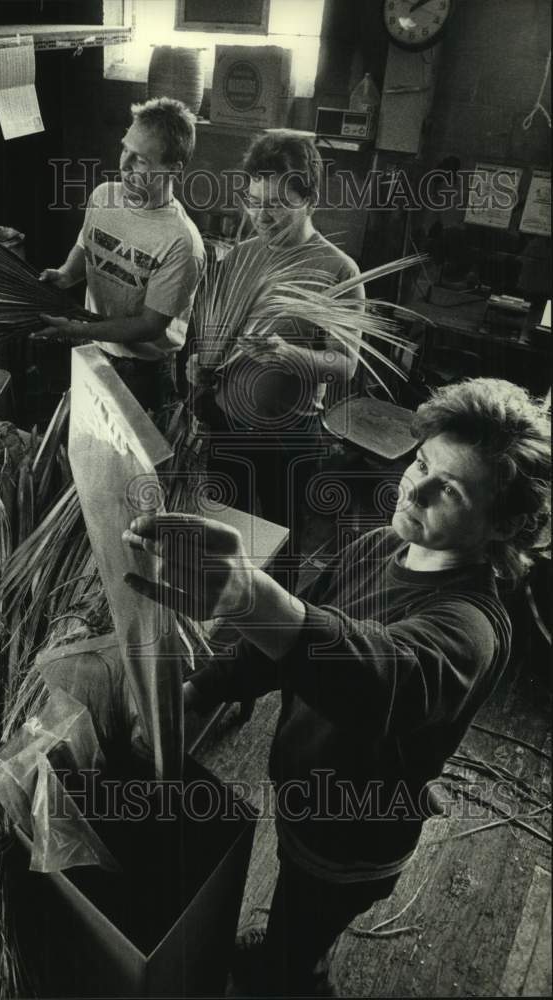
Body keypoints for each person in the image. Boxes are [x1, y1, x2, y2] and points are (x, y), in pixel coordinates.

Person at [122, 377, 551, 996]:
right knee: (298, 898)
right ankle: (288, 946)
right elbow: (290, 644)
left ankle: (295, 972)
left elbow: (380, 678)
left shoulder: (472, 627)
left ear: (501, 525)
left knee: (309, 919)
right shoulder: (379, 546)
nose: (417, 487)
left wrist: (253, 598)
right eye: (423, 462)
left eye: (449, 490)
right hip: (306, 799)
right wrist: (205, 688)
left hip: (353, 834)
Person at [188, 131, 364, 545]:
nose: (261, 216)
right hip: (226, 428)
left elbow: (345, 366)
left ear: (310, 201)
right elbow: (219, 335)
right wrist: (203, 366)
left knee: (277, 549)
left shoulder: (338, 272)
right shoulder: (242, 255)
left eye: (278, 205)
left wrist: (288, 355)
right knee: (224, 544)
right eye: (254, 201)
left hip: (287, 443)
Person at [37, 97, 205, 413]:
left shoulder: (182, 242)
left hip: (143, 374)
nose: (124, 166)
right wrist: (65, 274)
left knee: (134, 462)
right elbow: (87, 248)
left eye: (140, 160)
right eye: (125, 149)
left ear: (174, 169)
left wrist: (75, 329)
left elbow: (148, 326)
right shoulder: (104, 197)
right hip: (93, 349)